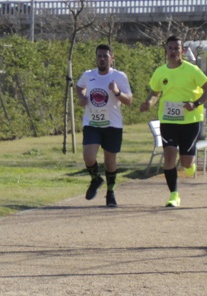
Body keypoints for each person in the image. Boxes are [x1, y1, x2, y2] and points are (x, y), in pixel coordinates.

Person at [139, 36, 207, 207]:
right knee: (169, 155)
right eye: (170, 48)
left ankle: (189, 165)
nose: (173, 51)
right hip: (168, 120)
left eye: (177, 48)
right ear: (166, 50)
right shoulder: (160, 72)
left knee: (186, 163)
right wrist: (149, 103)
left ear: (182, 51)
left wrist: (196, 103)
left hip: (190, 121)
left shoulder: (192, 70)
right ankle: (174, 195)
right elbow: (155, 93)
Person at [76, 44, 133, 207]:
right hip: (92, 123)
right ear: (96, 58)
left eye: (105, 56)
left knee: (110, 162)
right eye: (99, 56)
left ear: (112, 59)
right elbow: (80, 87)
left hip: (112, 125)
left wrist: (117, 92)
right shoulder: (88, 75)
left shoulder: (120, 77)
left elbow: (129, 101)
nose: (102, 59)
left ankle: (110, 193)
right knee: (89, 157)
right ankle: (95, 179)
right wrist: (82, 97)